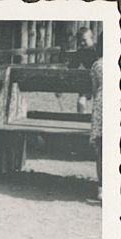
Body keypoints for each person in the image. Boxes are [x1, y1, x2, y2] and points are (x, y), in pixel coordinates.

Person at [88, 33, 102, 203]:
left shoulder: (97, 65)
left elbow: (94, 91)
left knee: (101, 147)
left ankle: (101, 187)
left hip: (101, 106)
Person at [69, 27, 99, 113]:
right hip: (87, 82)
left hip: (100, 82)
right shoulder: (80, 53)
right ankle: (81, 121)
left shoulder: (99, 51)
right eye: (80, 41)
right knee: (81, 101)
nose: (82, 43)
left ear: (92, 39)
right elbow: (72, 67)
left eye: (84, 40)